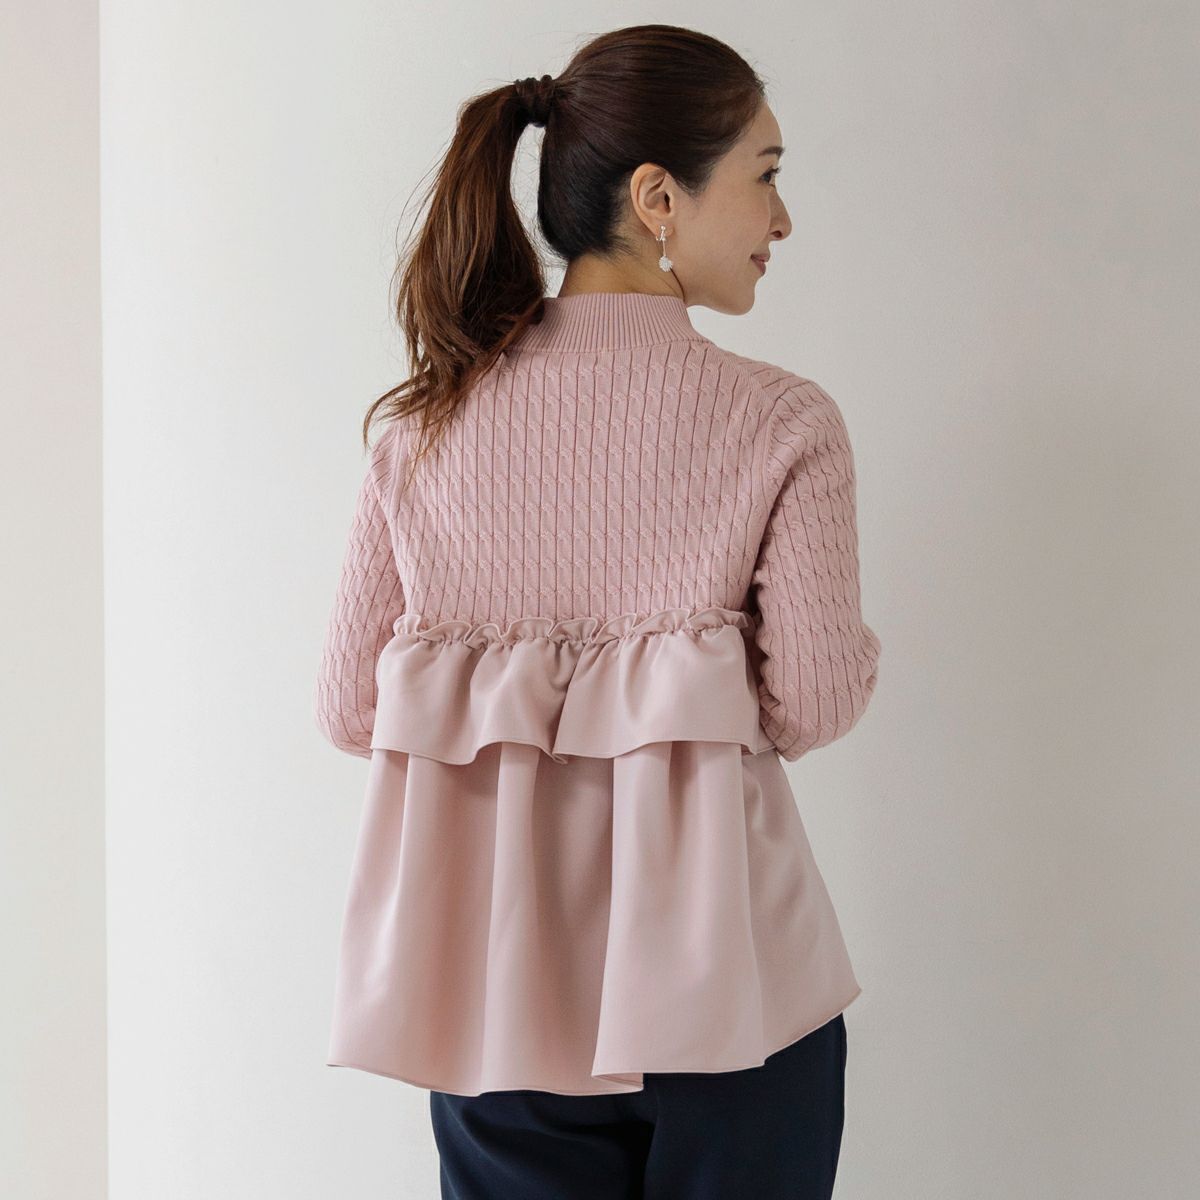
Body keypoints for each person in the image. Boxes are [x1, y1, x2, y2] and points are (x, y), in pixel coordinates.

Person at [314, 21, 882, 1200]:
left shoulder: (421, 429)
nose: (782, 220)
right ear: (658, 197)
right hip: (737, 990)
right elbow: (815, 702)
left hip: (504, 1005)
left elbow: (349, 708)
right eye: (766, 176)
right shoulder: (780, 420)